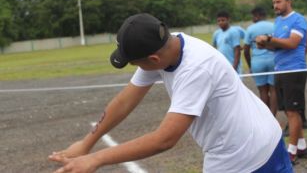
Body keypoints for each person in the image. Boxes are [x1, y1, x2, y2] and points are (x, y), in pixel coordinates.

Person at [49, 13, 293, 173]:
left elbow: (164, 139)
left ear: (153, 58)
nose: (138, 70)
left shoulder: (195, 69)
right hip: (261, 138)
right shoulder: (170, 47)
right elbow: (125, 100)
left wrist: (96, 159)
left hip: (244, 158)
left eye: (136, 64)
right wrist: (86, 143)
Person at [255, 0, 307, 165]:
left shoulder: (298, 19)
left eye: (278, 2)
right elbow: (278, 46)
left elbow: (293, 43)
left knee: (294, 111)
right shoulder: (278, 21)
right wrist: (265, 44)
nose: (275, 6)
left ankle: (291, 152)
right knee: (288, 110)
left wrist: (270, 38)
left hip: (293, 70)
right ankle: (302, 147)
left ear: (289, 1)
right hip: (280, 69)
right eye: (273, 2)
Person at [244, 6, 277, 116]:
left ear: (257, 16)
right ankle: (273, 116)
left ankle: (266, 117)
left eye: (253, 16)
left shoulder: (250, 29)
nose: (252, 18)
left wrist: (250, 66)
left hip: (257, 62)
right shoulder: (273, 26)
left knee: (263, 91)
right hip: (273, 60)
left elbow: (246, 50)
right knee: (273, 90)